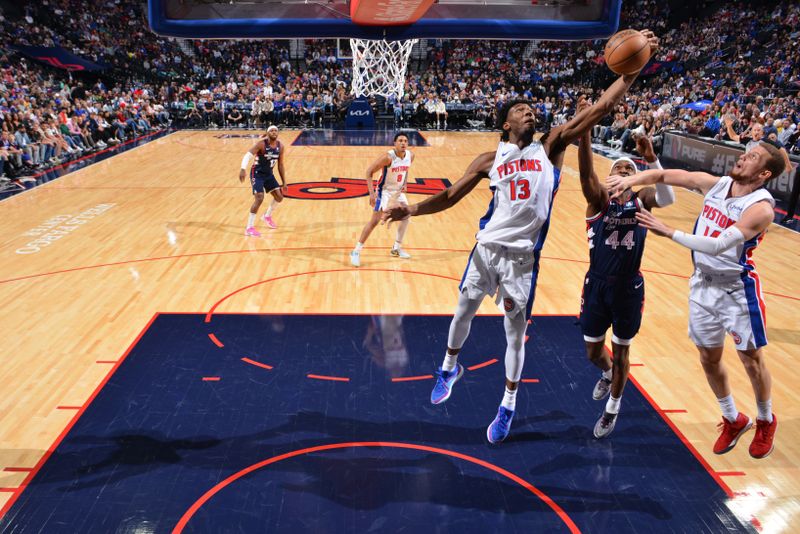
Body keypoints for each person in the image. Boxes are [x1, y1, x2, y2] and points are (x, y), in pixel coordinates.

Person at [383, 30, 659, 444]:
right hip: (485, 249)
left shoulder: (549, 146)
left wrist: (634, 67)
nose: (530, 113)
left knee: (514, 335)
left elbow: (603, 107)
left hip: (521, 261)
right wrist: (413, 209)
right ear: (506, 122)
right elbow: (449, 196)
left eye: (532, 109)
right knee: (462, 312)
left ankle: (508, 406)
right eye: (521, 110)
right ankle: (449, 366)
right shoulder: (488, 159)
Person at [607, 140, 788, 458]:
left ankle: (765, 419)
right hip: (702, 287)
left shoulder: (761, 209)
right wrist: (632, 178)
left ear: (764, 173)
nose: (743, 157)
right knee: (709, 358)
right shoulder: (718, 185)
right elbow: (668, 177)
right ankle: (733, 418)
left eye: (753, 157)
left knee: (751, 360)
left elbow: (719, 246)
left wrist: (668, 231)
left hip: (737, 291)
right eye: (746, 152)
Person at [576, 97, 675, 439]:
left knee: (622, 351)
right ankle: (605, 375)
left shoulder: (641, 198)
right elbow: (587, 174)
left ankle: (612, 410)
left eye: (628, 171)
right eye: (618, 169)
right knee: (593, 352)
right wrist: (585, 127)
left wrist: (650, 159)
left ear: (636, 178)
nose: (622, 173)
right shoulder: (598, 200)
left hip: (629, 288)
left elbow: (668, 199)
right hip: (597, 284)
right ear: (608, 176)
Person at [350, 133, 414, 267]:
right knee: (374, 221)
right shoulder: (388, 157)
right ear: (394, 143)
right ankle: (356, 251)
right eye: (400, 141)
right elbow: (369, 172)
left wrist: (405, 182)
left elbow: (406, 170)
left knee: (407, 216)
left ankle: (396, 248)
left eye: (405, 141)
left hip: (397, 191)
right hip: (384, 191)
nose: (403, 143)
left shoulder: (410, 156)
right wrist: (372, 193)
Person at [239, 125, 287, 236]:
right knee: (259, 198)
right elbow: (247, 155)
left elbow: (280, 165)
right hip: (257, 174)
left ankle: (267, 216)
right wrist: (243, 169)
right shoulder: (261, 144)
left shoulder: (281, 146)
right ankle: (249, 228)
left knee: (279, 197)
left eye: (276, 131)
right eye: (272, 131)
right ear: (267, 133)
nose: (274, 132)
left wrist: (284, 181)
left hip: (269, 174)